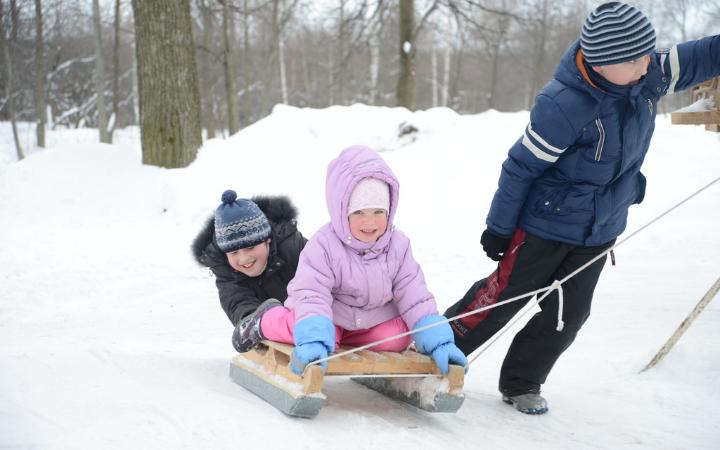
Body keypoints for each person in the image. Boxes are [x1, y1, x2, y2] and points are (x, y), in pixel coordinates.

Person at [443, 2, 720, 415]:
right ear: (605, 62)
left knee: (567, 315)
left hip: (599, 230)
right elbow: (521, 167)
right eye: (636, 59)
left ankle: (521, 381)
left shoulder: (648, 75)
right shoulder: (564, 105)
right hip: (542, 226)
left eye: (649, 53)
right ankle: (431, 354)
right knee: (499, 302)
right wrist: (499, 228)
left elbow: (705, 54)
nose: (648, 64)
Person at [234, 145, 468, 375]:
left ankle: (339, 339)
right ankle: (263, 322)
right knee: (314, 333)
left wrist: (438, 342)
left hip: (368, 322)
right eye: (359, 213)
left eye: (378, 212)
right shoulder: (324, 245)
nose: (370, 222)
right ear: (341, 212)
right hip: (326, 317)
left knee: (397, 337)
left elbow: (415, 296)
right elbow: (312, 293)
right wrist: (316, 338)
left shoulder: (398, 245)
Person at [192, 191, 307, 352]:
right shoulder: (226, 270)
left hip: (312, 311)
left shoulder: (293, 246)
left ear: (267, 240)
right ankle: (264, 325)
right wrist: (254, 319)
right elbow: (237, 301)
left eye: (250, 247)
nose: (244, 258)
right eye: (234, 252)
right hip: (273, 323)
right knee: (268, 321)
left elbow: (322, 272)